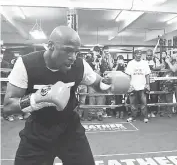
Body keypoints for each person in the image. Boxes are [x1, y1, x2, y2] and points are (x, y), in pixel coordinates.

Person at [3, 26, 122, 165]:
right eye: (68, 50)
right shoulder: (26, 64)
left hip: (70, 128)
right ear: (51, 46)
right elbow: (8, 106)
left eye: (76, 52)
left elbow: (98, 84)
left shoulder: (80, 65)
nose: (73, 57)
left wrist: (109, 83)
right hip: (38, 130)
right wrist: (36, 98)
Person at [125, 49, 151, 123]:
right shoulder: (130, 63)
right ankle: (133, 117)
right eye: (137, 54)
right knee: (133, 104)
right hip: (133, 86)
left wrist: (148, 84)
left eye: (140, 54)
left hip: (142, 86)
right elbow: (128, 75)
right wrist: (129, 85)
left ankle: (145, 117)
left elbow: (147, 74)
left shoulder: (145, 63)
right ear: (134, 55)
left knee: (144, 103)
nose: (139, 55)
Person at [112, 55, 126, 119]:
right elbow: (113, 71)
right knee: (117, 99)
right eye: (119, 59)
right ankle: (117, 112)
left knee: (122, 99)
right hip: (116, 84)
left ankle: (122, 112)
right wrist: (117, 64)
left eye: (121, 59)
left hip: (123, 83)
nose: (120, 60)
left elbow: (128, 72)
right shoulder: (115, 65)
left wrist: (123, 65)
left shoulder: (125, 65)